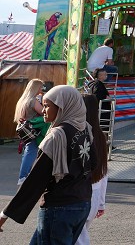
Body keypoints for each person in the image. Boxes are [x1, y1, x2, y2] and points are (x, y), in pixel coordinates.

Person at [0, 85, 95, 243]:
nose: (43, 110)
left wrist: (4, 215)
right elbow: (93, 164)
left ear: (62, 107)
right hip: (82, 203)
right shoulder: (85, 128)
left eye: (47, 106)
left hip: (59, 208)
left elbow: (35, 180)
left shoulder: (56, 136)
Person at [76, 95, 108, 245]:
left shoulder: (77, 134)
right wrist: (101, 202)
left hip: (78, 194)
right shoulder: (101, 136)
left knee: (77, 237)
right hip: (94, 194)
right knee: (81, 235)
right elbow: (104, 172)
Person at [14, 79, 48, 185]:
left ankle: (24, 175)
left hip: (25, 130)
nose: (42, 89)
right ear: (36, 88)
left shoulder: (24, 100)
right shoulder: (33, 101)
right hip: (33, 130)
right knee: (30, 152)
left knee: (28, 152)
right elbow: (44, 112)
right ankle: (23, 177)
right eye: (41, 87)